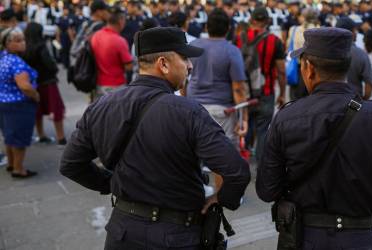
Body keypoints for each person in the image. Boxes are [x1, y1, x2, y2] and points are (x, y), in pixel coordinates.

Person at [60, 27, 250, 249]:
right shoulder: (189, 112)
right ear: (163, 64)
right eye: (185, 58)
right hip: (177, 235)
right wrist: (223, 199)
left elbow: (71, 164)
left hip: (122, 231)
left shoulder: (102, 105)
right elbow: (237, 171)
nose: (190, 66)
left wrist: (111, 184)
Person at [256, 27, 372, 249]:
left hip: (304, 238)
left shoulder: (287, 117)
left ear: (309, 69)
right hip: (361, 238)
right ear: (346, 68)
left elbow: (266, 189)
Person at [187, 9, 248, 191]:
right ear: (228, 28)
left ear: (206, 26)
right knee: (223, 156)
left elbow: (184, 77)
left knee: (192, 152)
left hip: (193, 105)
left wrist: (183, 101)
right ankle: (222, 196)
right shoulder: (231, 50)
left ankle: (195, 191)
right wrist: (243, 118)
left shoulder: (194, 45)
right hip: (221, 109)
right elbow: (238, 87)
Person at [235, 6, 286, 162]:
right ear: (267, 21)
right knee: (263, 129)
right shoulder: (275, 41)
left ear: (251, 20)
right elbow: (281, 71)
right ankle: (261, 164)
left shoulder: (238, 38)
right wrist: (282, 93)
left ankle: (244, 157)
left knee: (246, 122)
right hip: (266, 91)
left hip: (243, 92)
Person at [0, 28, 40, 178]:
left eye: (23, 39)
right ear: (8, 43)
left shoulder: (3, 58)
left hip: (4, 103)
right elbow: (24, 86)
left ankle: (11, 164)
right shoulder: (16, 62)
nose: (23, 43)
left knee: (9, 136)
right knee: (19, 139)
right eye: (18, 40)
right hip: (18, 105)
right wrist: (36, 95)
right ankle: (18, 169)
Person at [23, 22, 66, 146]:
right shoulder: (41, 46)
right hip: (48, 82)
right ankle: (61, 137)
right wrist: (55, 69)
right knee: (57, 109)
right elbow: (50, 64)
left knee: (38, 111)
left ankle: (41, 135)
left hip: (33, 84)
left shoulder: (25, 47)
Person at [90, 7, 133, 99]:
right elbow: (129, 66)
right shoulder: (119, 41)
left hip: (99, 84)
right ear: (121, 21)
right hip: (116, 86)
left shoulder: (95, 35)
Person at [336, 17, 372, 99]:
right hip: (353, 103)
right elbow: (369, 84)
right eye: (355, 30)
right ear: (351, 32)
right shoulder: (360, 54)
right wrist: (363, 101)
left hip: (330, 102)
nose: (356, 33)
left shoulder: (326, 51)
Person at [286, 7, 319, 101]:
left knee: (296, 100)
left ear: (304, 17)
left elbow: (289, 49)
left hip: (299, 68)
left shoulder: (294, 30)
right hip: (315, 71)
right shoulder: (319, 30)